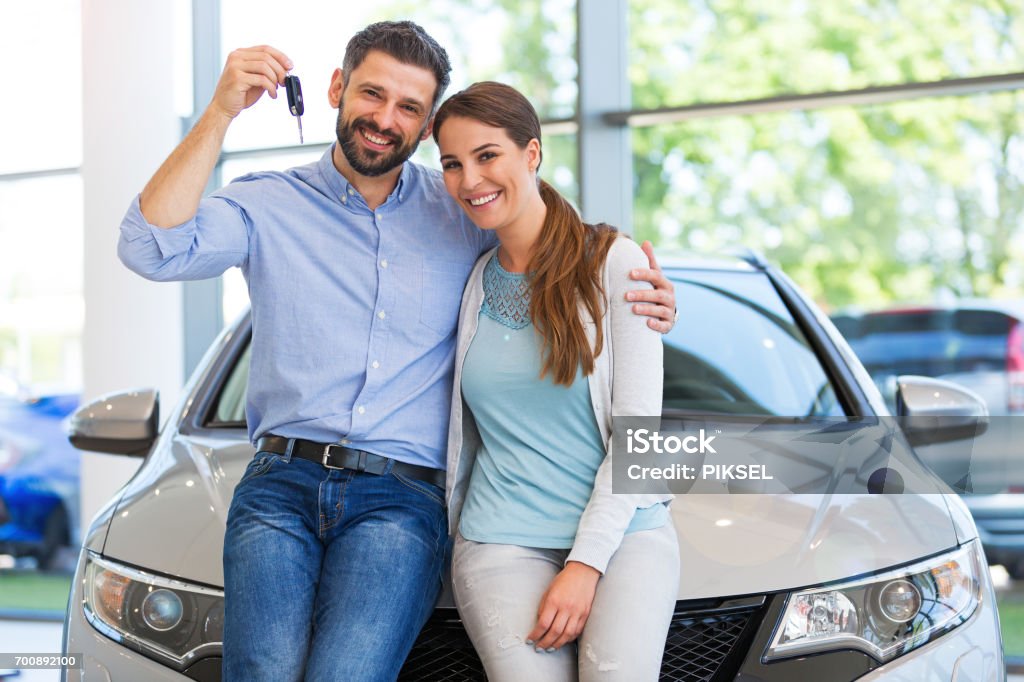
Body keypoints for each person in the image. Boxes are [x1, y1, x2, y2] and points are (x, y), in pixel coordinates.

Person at [117, 21, 676, 682]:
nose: (385, 119)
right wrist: (219, 114)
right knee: (260, 671)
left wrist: (640, 295)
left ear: (426, 121)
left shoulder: (461, 216)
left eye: (409, 107)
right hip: (281, 483)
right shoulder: (267, 204)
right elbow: (149, 247)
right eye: (372, 94)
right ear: (336, 88)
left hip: (400, 497)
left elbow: (551, 255)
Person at [434, 81, 679, 681]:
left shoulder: (613, 264)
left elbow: (638, 435)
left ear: (532, 154)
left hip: (625, 537)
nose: (470, 180)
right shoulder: (468, 281)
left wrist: (585, 564)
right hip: (499, 539)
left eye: (487, 155)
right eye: (452, 164)